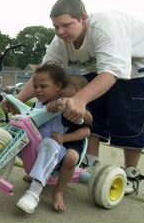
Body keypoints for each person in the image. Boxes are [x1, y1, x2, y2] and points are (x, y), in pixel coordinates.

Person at [3, 0, 144, 195]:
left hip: (138, 66)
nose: (60, 32)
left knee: (128, 118)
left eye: (66, 25)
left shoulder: (106, 28)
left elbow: (111, 72)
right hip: (97, 64)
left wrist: (79, 98)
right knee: (90, 112)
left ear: (83, 18)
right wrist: (18, 99)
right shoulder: (60, 40)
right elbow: (43, 72)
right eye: (55, 26)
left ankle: (131, 172)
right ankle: (89, 160)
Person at [16, 64, 92, 213]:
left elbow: (86, 125)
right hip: (40, 144)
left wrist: (64, 106)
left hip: (61, 146)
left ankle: (54, 192)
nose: (37, 90)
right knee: (19, 135)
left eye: (43, 86)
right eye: (35, 86)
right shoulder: (39, 102)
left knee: (62, 152)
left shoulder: (66, 104)